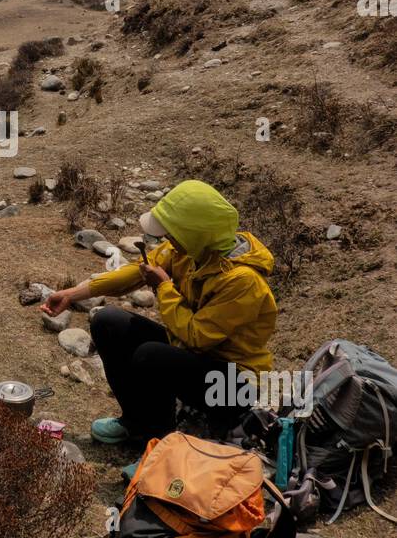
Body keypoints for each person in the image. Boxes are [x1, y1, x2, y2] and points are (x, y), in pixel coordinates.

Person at [41, 179, 278, 450]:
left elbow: (197, 337)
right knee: (107, 322)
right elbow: (137, 271)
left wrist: (164, 287)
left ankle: (160, 446)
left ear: (194, 232)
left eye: (173, 231)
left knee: (149, 356)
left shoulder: (243, 281)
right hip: (196, 360)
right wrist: (73, 294)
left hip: (233, 386)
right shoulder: (194, 250)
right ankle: (135, 423)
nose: (167, 238)